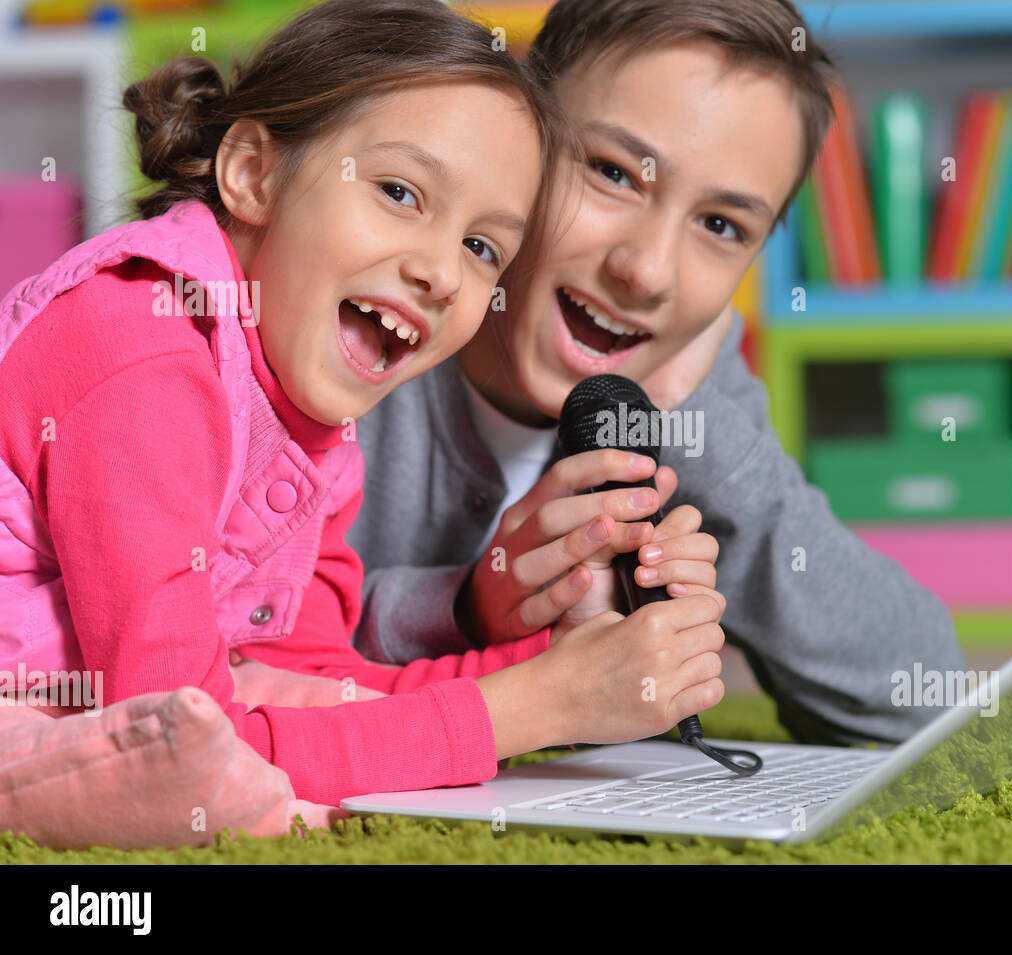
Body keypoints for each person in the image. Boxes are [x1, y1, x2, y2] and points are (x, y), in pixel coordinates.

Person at [0, 0, 726, 808]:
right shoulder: (142, 340)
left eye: (482, 247)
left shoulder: (311, 431)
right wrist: (534, 708)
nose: (443, 273)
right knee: (198, 781)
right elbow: (180, 725)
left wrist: (580, 657)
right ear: (252, 173)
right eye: (401, 191)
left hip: (91, 710)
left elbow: (316, 682)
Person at [350, 0, 965, 747]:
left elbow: (925, 686)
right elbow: (240, 646)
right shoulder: (369, 309)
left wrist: (697, 425)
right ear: (523, 131)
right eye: (613, 172)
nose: (645, 271)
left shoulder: (688, 380)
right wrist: (466, 609)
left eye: (720, 226)